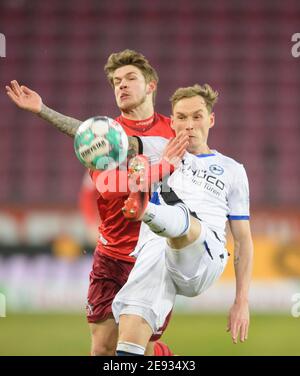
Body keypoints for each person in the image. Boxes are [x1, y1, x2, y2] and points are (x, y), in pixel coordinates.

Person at [5, 49, 175, 356]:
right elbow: (106, 185)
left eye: (130, 78)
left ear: (151, 85)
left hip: (155, 258)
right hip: (111, 254)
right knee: (102, 350)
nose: (121, 85)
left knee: (139, 350)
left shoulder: (175, 132)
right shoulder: (102, 136)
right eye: (115, 81)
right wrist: (42, 109)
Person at [111, 84, 254, 356]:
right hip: (157, 251)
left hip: (205, 254)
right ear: (172, 121)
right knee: (130, 335)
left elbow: (244, 240)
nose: (189, 125)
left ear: (211, 120)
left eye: (197, 116)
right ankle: (148, 208)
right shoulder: (158, 150)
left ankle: (146, 208)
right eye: (182, 117)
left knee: (183, 221)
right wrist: (42, 110)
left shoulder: (232, 170)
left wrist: (241, 301)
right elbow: (102, 137)